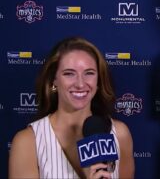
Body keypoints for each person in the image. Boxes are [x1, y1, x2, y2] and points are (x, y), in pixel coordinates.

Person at [9, 37, 135, 179]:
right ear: (54, 80)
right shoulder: (27, 142)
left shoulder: (120, 134)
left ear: (98, 79)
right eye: (69, 73)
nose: (80, 84)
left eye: (89, 73)